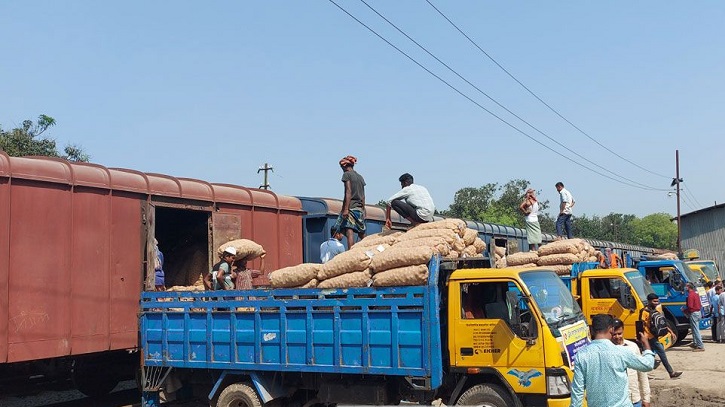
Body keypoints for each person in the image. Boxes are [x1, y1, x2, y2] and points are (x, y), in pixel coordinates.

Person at [570, 314, 654, 407]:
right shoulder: (621, 352)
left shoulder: (581, 355)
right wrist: (646, 344)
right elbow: (648, 365)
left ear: (591, 330)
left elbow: (577, 391)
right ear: (611, 329)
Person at [640, 293, 682, 378]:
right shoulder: (644, 312)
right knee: (660, 353)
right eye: (654, 301)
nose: (656, 303)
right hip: (649, 337)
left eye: (657, 301)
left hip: (654, 336)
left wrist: (670, 331)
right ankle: (671, 373)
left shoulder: (655, 311)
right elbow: (642, 325)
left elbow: (662, 323)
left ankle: (643, 375)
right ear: (649, 301)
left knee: (649, 355)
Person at [611, 318, 651, 407]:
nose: (617, 337)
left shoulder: (632, 347)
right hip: (617, 401)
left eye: (619, 333)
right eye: (614, 334)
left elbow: (642, 374)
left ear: (623, 331)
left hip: (634, 399)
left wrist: (646, 398)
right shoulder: (607, 350)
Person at [335, 155, 366, 248]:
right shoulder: (360, 177)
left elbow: (348, 191)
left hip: (351, 207)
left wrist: (345, 209)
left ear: (345, 166)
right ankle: (369, 248)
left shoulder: (346, 175)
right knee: (362, 233)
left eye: (342, 167)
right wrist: (363, 209)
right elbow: (363, 196)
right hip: (359, 208)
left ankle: (351, 253)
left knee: (349, 230)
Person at [682, 282, 704, 351]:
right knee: (694, 329)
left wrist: (684, 310)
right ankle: (695, 343)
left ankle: (700, 346)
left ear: (688, 287)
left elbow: (690, 307)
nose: (685, 288)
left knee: (696, 330)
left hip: (693, 313)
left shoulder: (690, 296)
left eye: (686, 286)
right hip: (698, 312)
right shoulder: (696, 294)